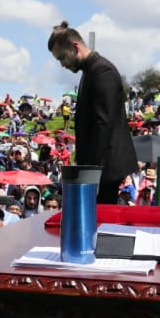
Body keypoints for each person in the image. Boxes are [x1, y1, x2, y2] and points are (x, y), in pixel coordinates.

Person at [47, 21, 138, 203]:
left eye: (62, 58)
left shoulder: (102, 71)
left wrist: (92, 173)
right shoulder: (90, 71)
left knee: (101, 219)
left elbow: (102, 124)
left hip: (105, 168)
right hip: (99, 167)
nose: (62, 64)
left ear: (75, 47)